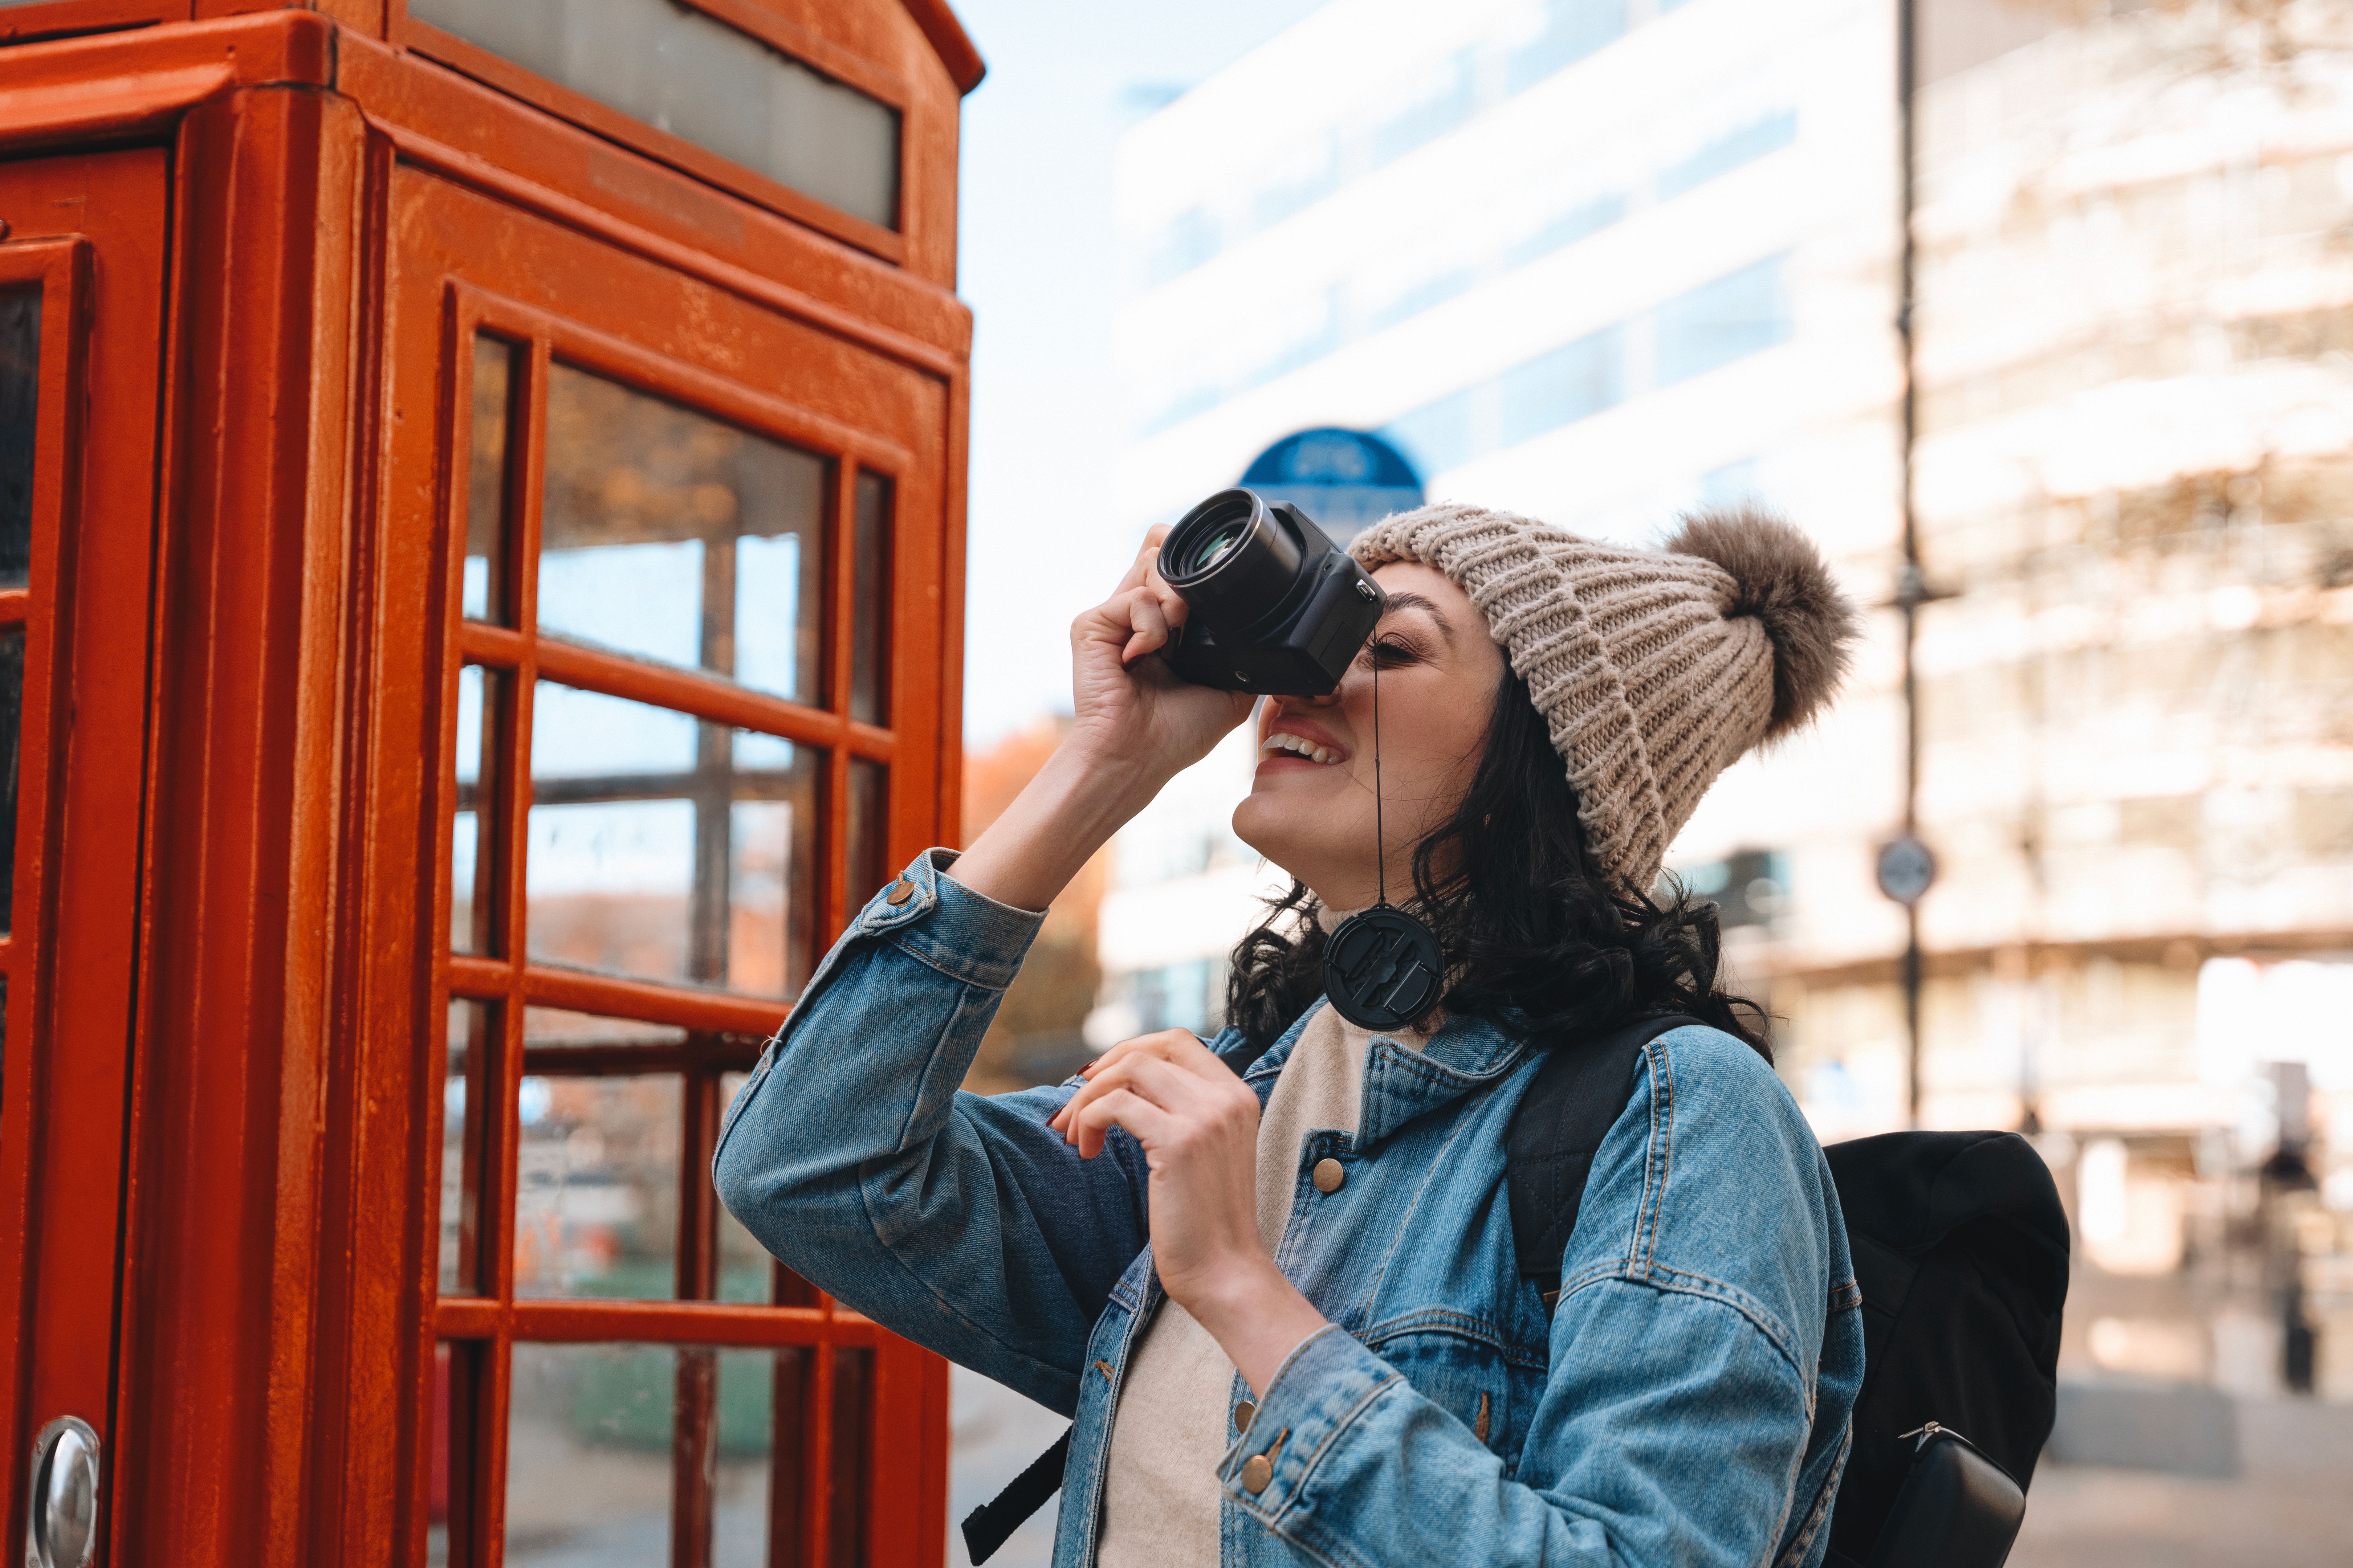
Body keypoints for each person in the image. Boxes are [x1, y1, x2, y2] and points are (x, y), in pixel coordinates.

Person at [715, 501, 1868, 1568]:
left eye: (1388, 647)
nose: (1296, 686)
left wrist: (1236, 1285)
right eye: (1315, 635)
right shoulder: (1245, 1091)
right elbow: (812, 1163)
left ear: (1549, 760)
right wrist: (1103, 768)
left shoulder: (1679, 1115)